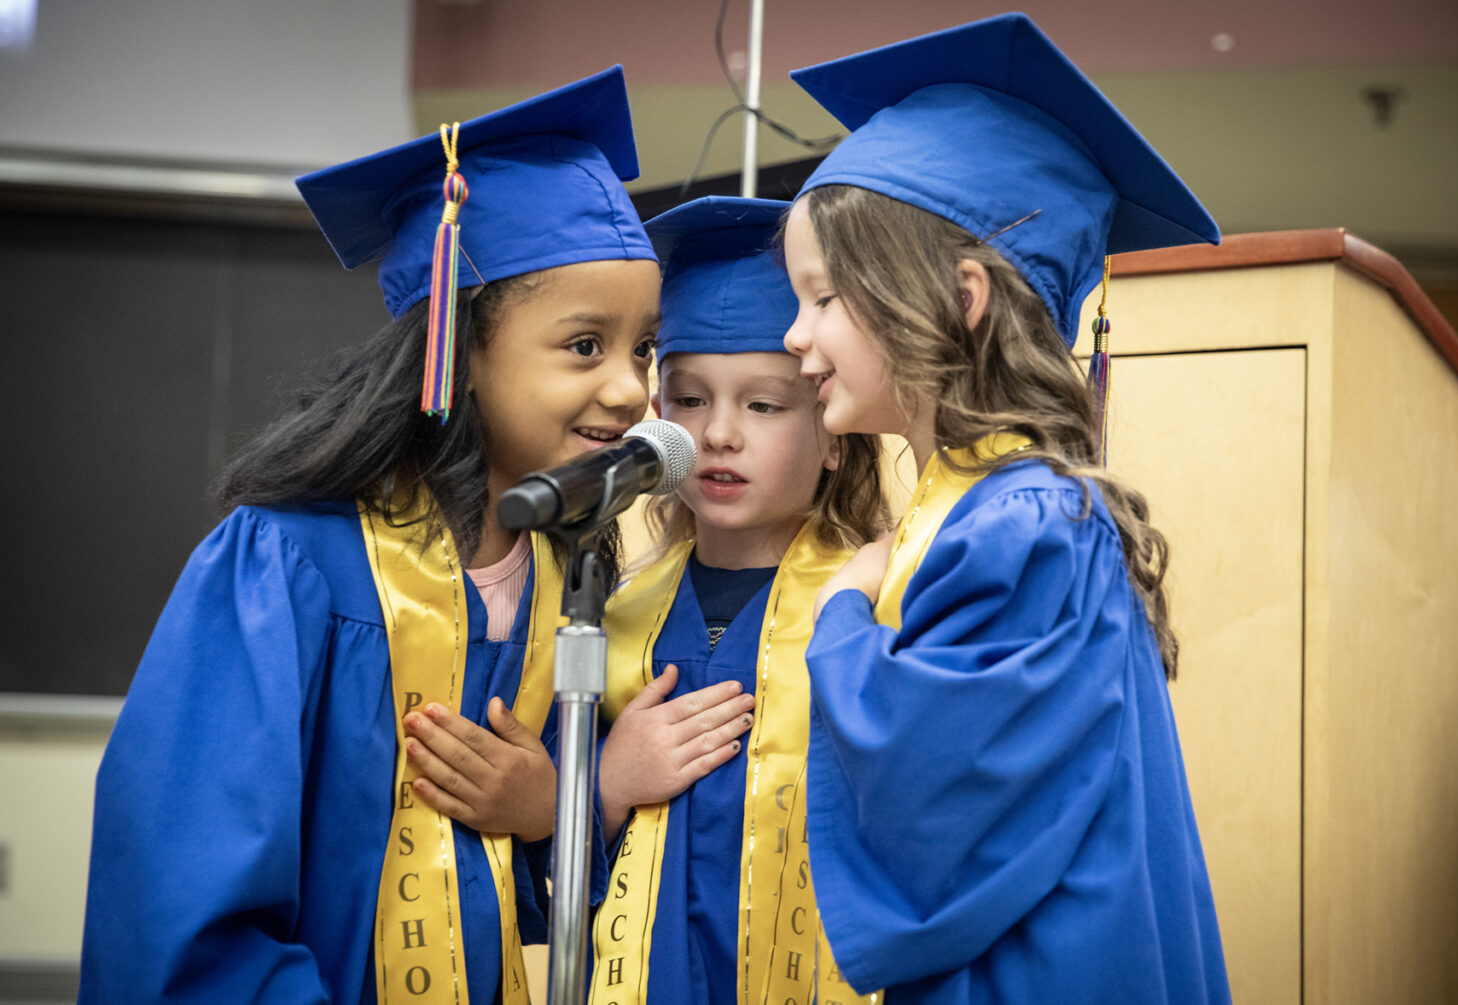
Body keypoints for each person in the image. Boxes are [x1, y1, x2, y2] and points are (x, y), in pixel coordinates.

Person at [79, 67, 683, 1005]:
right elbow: (179, 902)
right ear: (457, 347)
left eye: (644, 347)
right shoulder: (284, 564)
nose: (630, 388)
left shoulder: (568, 578)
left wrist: (554, 808)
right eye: (583, 345)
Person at [777, 15, 1232, 1004]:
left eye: (822, 297)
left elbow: (933, 796)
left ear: (961, 297)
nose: (795, 335)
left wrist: (842, 621)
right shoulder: (987, 511)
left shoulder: (1025, 528)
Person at [404, 196, 888, 1005]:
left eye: (764, 404)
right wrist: (601, 784)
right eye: (689, 400)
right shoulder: (610, 615)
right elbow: (555, 853)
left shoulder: (874, 605)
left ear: (835, 431)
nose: (719, 433)